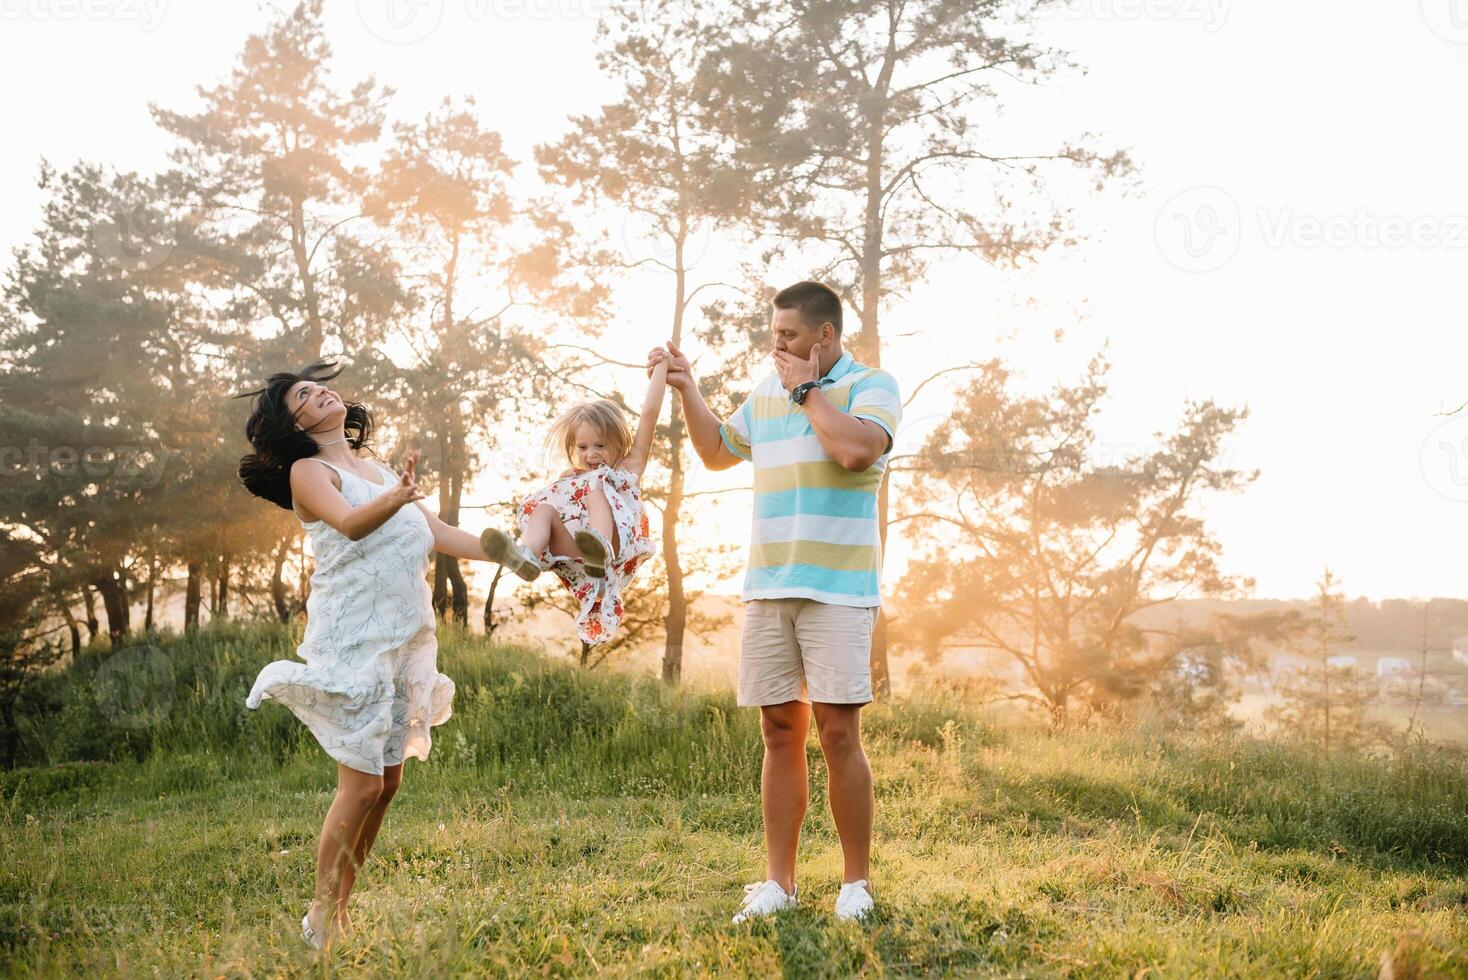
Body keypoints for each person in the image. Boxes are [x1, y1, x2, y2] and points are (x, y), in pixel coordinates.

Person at [648, 281, 902, 923]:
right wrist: (688, 389)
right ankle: (780, 886)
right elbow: (713, 452)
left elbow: (854, 451)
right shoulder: (767, 393)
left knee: (839, 731)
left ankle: (855, 888)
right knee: (778, 730)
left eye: (788, 335)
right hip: (769, 585)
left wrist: (807, 393)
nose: (777, 346)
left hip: (839, 589)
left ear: (825, 336)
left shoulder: (872, 386)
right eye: (774, 335)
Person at [235, 360, 506, 950]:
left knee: (386, 786)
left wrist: (513, 551)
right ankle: (318, 916)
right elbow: (352, 524)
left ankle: (341, 909)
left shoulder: (378, 469)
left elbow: (444, 536)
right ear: (296, 422)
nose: (322, 392)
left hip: (407, 636)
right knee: (358, 787)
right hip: (355, 637)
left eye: (319, 385)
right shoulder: (310, 470)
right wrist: (397, 496)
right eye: (305, 394)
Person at [478, 359, 667, 645]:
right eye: (582, 447)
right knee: (545, 509)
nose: (591, 453)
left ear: (620, 443)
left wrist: (661, 369)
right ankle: (526, 555)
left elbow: (650, 414)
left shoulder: (628, 469)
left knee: (595, 486)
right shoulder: (573, 478)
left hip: (614, 550)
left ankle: (599, 547)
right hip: (581, 556)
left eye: (599, 446)